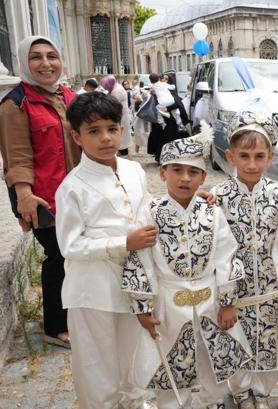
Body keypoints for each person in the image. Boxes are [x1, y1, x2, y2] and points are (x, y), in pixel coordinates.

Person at [122, 132, 252, 409]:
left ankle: (212, 401)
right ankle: (172, 404)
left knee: (210, 354)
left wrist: (227, 303)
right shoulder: (150, 212)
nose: (185, 178)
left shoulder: (211, 211)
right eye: (177, 170)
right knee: (169, 356)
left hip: (209, 298)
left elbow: (226, 255)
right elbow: (140, 260)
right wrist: (143, 307)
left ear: (203, 178)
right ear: (162, 173)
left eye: (193, 172)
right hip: (168, 301)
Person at [55, 92, 154, 409]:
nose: (106, 138)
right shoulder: (73, 187)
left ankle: (134, 399)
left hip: (134, 284)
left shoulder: (133, 171)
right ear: (76, 136)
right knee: (97, 361)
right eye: (94, 131)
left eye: (112, 128)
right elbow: (70, 245)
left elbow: (150, 213)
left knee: (132, 348)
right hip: (92, 289)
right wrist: (123, 242)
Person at [213, 112, 278, 409]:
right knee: (235, 339)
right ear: (230, 156)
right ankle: (239, 391)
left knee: (268, 341)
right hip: (233, 290)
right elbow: (216, 250)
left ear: (270, 157)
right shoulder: (218, 196)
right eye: (244, 156)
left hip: (269, 288)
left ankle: (262, 392)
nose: (251, 164)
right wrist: (225, 297)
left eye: (259, 156)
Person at [0, 35, 77, 348]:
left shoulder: (69, 97)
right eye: (36, 57)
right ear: (24, 63)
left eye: (51, 56)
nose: (46, 63)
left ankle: (74, 312)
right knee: (58, 255)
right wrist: (24, 195)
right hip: (38, 195)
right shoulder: (14, 104)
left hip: (73, 193)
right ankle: (55, 326)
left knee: (73, 254)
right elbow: (16, 155)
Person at [101, 75, 132, 156]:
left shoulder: (117, 91)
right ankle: (121, 151)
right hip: (119, 114)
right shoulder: (115, 87)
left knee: (122, 135)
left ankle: (124, 153)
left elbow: (112, 103)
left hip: (121, 115)